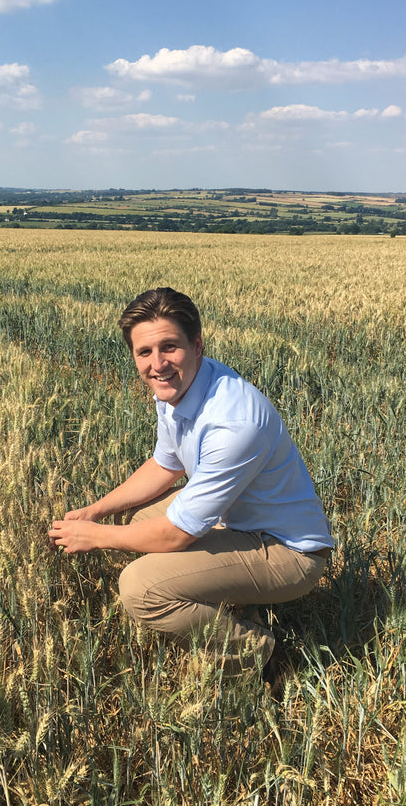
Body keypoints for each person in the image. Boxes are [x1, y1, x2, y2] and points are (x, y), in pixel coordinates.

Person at [48, 287, 333, 679]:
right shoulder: (178, 389)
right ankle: (218, 603)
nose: (157, 364)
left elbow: (176, 536)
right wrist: (97, 511)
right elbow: (165, 466)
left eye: (170, 347)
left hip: (288, 551)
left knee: (139, 588)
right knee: (138, 522)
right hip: (237, 519)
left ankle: (264, 657)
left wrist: (95, 536)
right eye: (144, 352)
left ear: (197, 345)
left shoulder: (234, 423)